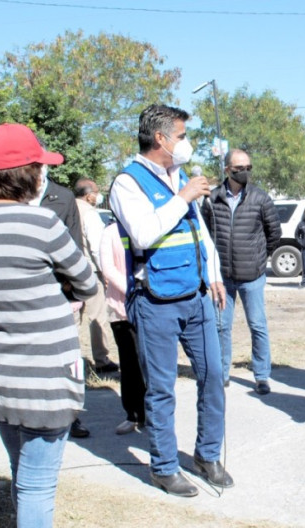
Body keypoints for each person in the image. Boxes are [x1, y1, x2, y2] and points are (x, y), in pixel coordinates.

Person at [0, 122, 98, 527]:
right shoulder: (42, 224)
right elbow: (86, 282)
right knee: (37, 486)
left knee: (23, 473)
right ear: (27, 174)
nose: (43, 176)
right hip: (45, 379)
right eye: (40, 167)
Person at [110, 104, 231, 498]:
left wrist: (212, 273)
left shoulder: (177, 176)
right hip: (155, 301)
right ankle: (163, 467)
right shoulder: (128, 182)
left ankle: (207, 455)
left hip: (196, 295)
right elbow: (144, 234)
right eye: (180, 136)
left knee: (213, 376)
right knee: (161, 389)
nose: (185, 143)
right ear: (160, 139)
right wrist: (182, 196)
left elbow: (199, 234)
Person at [201, 148, 281, 394]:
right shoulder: (212, 199)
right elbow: (204, 235)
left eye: (248, 167)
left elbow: (274, 234)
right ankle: (222, 374)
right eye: (239, 168)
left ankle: (261, 375)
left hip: (252, 276)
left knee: (257, 325)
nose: (245, 172)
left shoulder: (260, 198)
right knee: (220, 326)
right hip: (222, 278)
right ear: (227, 170)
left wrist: (258, 259)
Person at [34, 165, 92, 439]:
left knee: (67, 356)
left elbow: (75, 244)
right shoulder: (15, 195)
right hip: (31, 295)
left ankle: (72, 415)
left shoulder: (62, 196)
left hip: (60, 292)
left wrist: (73, 292)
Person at [99, 220, 146, 435]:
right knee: (129, 363)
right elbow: (107, 267)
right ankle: (133, 414)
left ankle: (154, 415)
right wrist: (130, 290)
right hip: (122, 307)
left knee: (151, 364)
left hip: (151, 304)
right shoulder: (110, 232)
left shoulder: (145, 226)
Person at [74, 178, 120, 378]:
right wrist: (106, 272)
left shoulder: (69, 208)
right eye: (96, 192)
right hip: (91, 271)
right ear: (89, 195)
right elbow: (96, 246)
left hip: (71, 270)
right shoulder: (90, 214)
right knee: (97, 317)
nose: (98, 196)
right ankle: (102, 360)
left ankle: (72, 362)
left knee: (73, 319)